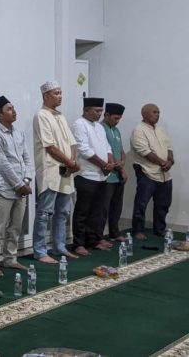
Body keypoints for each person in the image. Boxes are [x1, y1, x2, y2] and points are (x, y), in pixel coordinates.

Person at [0, 96, 33, 276]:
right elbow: (1, 163)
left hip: (21, 188)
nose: (14, 111)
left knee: (16, 227)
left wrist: (26, 180)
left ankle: (10, 259)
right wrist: (19, 184)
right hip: (4, 188)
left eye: (14, 108)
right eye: (9, 109)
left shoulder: (18, 133)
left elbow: (26, 158)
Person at [32, 81, 78, 264]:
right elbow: (50, 146)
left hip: (66, 170)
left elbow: (72, 142)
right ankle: (40, 250)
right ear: (45, 96)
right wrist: (70, 163)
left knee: (63, 212)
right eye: (56, 93)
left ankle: (59, 246)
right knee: (44, 213)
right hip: (51, 170)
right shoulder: (41, 116)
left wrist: (72, 162)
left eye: (61, 92)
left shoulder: (61, 116)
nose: (60, 96)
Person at [71, 97, 115, 255]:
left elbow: (107, 146)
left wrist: (109, 162)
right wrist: (104, 165)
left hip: (102, 175)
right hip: (86, 175)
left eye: (101, 111)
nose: (99, 114)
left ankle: (94, 240)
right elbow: (83, 149)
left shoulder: (99, 126)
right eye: (96, 111)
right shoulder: (79, 124)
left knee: (98, 211)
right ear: (86, 110)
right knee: (83, 211)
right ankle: (78, 243)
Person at [130, 103, 175, 240]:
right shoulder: (139, 130)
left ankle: (159, 229)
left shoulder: (160, 130)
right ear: (144, 114)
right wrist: (163, 162)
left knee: (163, 204)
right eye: (154, 112)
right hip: (147, 172)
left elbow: (169, 147)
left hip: (164, 174)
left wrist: (170, 161)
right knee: (141, 203)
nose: (157, 115)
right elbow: (145, 152)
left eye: (158, 112)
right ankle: (138, 230)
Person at [101, 103, 127, 242]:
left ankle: (114, 233)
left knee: (117, 206)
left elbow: (121, 150)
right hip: (108, 175)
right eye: (115, 118)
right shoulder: (100, 129)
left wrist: (123, 163)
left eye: (119, 119)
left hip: (118, 175)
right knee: (104, 207)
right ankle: (99, 236)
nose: (117, 121)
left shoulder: (116, 130)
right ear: (107, 115)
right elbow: (107, 151)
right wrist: (120, 167)